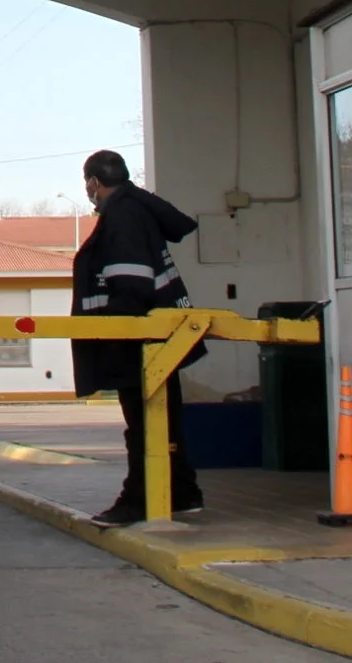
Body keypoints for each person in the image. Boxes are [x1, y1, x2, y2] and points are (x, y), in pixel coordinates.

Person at [71, 148, 204, 524]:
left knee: (145, 424)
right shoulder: (136, 210)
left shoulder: (123, 217)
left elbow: (130, 283)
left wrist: (117, 334)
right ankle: (181, 491)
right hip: (158, 336)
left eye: (87, 185)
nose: (88, 192)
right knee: (164, 420)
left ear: (95, 182)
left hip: (138, 340)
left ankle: (141, 499)